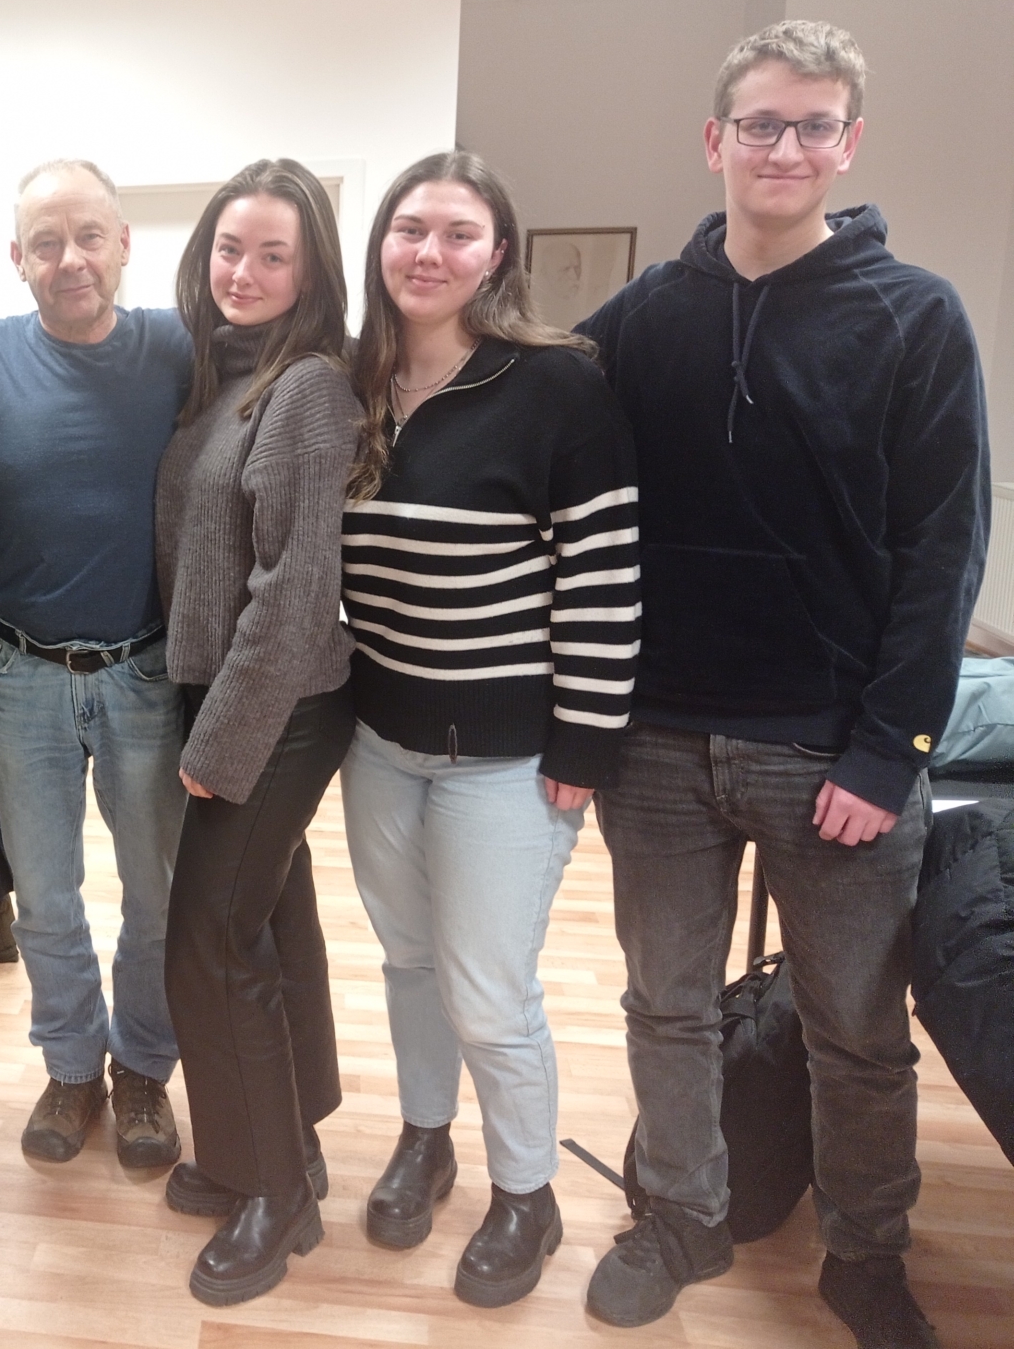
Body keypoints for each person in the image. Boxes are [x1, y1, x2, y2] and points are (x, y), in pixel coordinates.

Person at [580, 21, 988, 1348]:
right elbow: (521, 419)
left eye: (815, 125)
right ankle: (681, 1217)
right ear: (716, 139)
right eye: (761, 122)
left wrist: (890, 749)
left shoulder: (915, 316)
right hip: (656, 745)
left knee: (856, 1034)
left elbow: (944, 552)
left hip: (832, 754)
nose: (786, 147)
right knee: (665, 1008)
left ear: (849, 144)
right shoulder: (642, 319)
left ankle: (865, 1257)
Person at [337, 151, 640, 1309]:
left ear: (497, 253)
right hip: (381, 739)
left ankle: (527, 1190)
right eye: (410, 228)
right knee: (409, 960)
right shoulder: (354, 383)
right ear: (380, 242)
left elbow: (603, 578)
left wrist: (586, 742)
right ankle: (426, 1138)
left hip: (508, 756)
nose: (429, 252)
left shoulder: (556, 386)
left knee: (487, 989)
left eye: (458, 233)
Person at [0, 160, 193, 1169]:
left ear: (124, 242)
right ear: (18, 258)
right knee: (46, 899)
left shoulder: (179, 348)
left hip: (146, 670)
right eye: (46, 243)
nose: (70, 260)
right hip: (22, 673)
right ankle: (69, 1065)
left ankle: (141, 1066)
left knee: (158, 895)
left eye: (89, 236)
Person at [154, 157, 361, 1307]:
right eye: (231, 248)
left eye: (274, 254)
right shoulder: (223, 372)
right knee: (274, 924)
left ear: (311, 272)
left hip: (277, 705)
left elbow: (292, 595)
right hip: (228, 691)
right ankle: (283, 1141)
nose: (245, 270)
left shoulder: (308, 387)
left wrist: (217, 745)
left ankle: (276, 1195)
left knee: (211, 943)